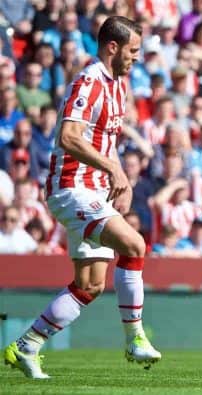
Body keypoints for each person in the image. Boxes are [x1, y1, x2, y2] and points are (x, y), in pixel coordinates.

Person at [3, 16, 161, 379]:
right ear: (112, 47)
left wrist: (120, 178)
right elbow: (69, 137)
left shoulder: (119, 86)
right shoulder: (88, 81)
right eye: (133, 51)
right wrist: (114, 169)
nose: (136, 58)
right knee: (135, 245)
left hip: (96, 191)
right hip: (71, 187)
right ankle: (135, 337)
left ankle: (26, 345)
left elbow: (105, 142)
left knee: (90, 284)